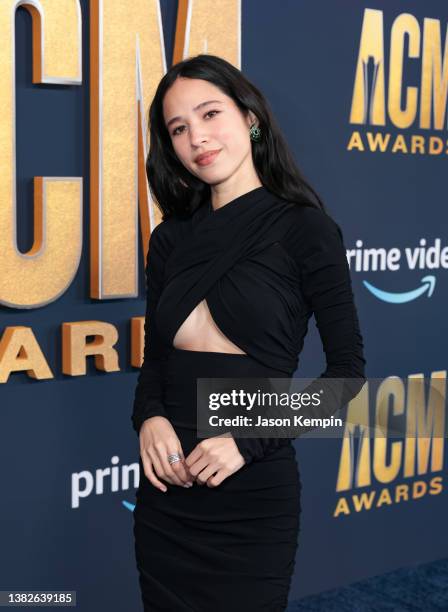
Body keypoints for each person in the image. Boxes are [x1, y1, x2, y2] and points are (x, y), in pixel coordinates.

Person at [131, 53, 366, 612]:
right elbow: (156, 364)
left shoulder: (306, 229)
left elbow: (348, 378)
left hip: (251, 492)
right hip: (166, 494)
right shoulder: (169, 241)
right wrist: (149, 419)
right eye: (179, 128)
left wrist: (244, 441)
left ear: (250, 118)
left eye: (210, 114)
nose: (197, 138)